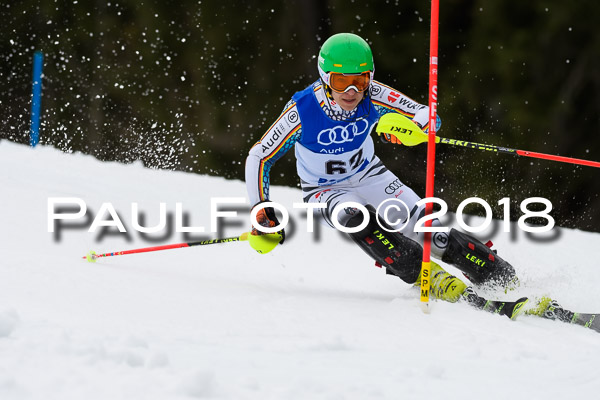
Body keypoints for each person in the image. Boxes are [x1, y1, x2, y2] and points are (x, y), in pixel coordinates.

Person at [245, 32, 526, 317]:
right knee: (357, 218)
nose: (352, 91)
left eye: (361, 79)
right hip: (325, 190)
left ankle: (500, 276)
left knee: (431, 233)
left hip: (371, 175)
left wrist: (417, 126)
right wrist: (261, 209)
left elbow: (424, 116)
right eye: (341, 81)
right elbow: (260, 155)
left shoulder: (375, 95)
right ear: (324, 78)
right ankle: (423, 274)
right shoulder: (302, 110)